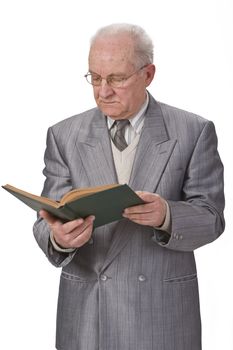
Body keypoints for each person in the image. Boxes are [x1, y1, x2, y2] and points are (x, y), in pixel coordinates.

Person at [33, 23, 225, 350]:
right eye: (95, 77)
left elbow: (212, 218)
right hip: (87, 314)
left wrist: (167, 215)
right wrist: (58, 238)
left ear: (148, 74)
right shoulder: (63, 135)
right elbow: (45, 221)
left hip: (161, 312)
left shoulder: (194, 131)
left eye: (117, 79)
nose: (103, 91)